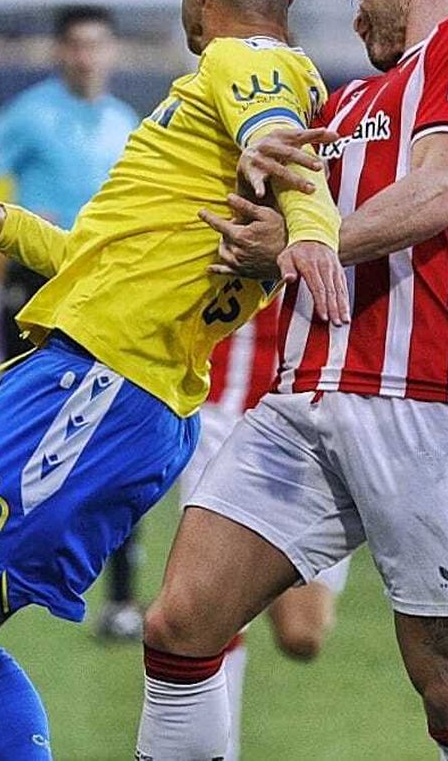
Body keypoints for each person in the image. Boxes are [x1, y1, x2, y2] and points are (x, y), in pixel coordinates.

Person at [0, 0, 348, 760]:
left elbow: (286, 155)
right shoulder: (227, 84)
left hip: (97, 388)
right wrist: (9, 227)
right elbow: (120, 256)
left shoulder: (250, 65)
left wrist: (311, 234)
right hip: (107, 385)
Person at [136, 0, 448, 761]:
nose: (354, 15)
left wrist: (297, 241)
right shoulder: (349, 101)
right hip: (304, 400)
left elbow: (440, 195)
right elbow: (288, 239)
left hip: (425, 404)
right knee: (179, 621)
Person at [0, 5, 145, 641]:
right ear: (60, 53)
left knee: (114, 436)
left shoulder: (128, 125)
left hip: (105, 291)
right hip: (34, 286)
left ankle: (120, 599)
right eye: (76, 46)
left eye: (97, 45)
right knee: (21, 422)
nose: (87, 57)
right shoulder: (31, 113)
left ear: (112, 53)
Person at [177, 298, 351, 760]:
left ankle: (255, 566)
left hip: (312, 425)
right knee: (209, 614)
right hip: (221, 419)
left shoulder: (354, 225)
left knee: (301, 636)